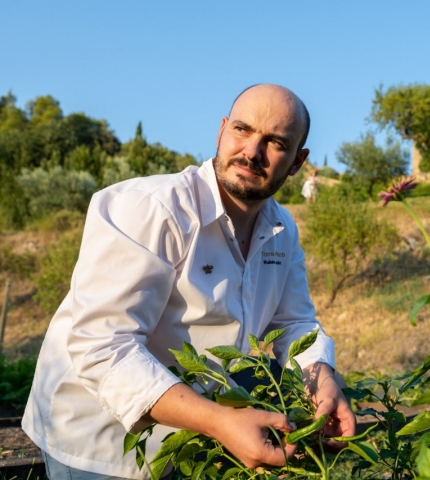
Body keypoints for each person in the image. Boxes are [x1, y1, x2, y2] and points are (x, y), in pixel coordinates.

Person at [22, 84, 355, 479]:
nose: (252, 151)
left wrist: (322, 381)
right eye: (243, 130)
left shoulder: (281, 229)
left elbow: (294, 324)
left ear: (297, 162)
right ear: (222, 130)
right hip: (99, 438)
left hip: (194, 435)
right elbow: (104, 347)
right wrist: (218, 422)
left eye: (275, 142)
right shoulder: (152, 209)